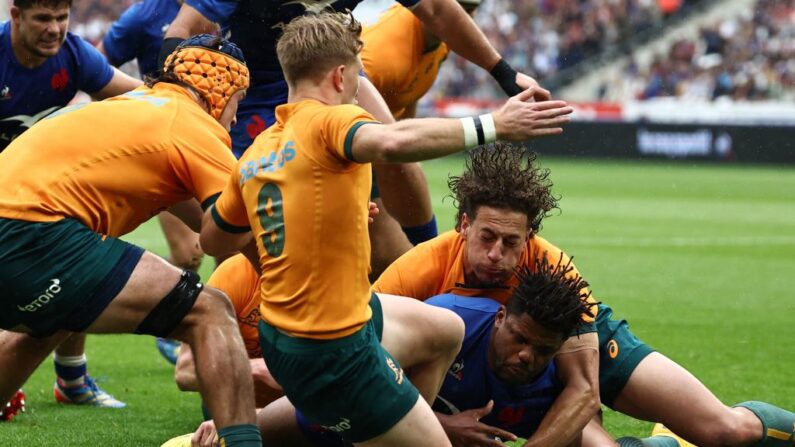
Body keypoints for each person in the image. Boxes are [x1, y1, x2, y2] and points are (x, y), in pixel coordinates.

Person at [198, 11, 572, 447]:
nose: (358, 85)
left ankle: (390, 425)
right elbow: (392, 142)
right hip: (334, 346)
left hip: (283, 335)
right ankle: (385, 424)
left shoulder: (259, 151)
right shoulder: (331, 121)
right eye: (358, 74)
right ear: (340, 76)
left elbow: (213, 239)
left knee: (444, 329)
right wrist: (496, 125)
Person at [373, 144, 795, 447]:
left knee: (724, 430)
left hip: (575, 347)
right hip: (506, 366)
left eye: (511, 242)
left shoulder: (554, 267)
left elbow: (583, 391)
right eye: (486, 237)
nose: (497, 255)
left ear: (530, 237)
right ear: (464, 224)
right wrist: (443, 426)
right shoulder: (418, 270)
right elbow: (360, 361)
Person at [0, 35, 264, 447]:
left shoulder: (135, 107)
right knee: (210, 311)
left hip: (19, 229)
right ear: (220, 93)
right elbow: (229, 228)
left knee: (52, 320)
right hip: (31, 234)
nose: (236, 116)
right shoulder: (192, 123)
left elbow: (221, 228)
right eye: (238, 100)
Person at [161, 0, 550, 276]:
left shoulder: (350, 72)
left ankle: (430, 266)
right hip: (253, 92)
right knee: (246, 233)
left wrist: (503, 72)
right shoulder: (386, 54)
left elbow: (436, 8)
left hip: (335, 75)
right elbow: (180, 32)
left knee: (394, 157)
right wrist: (188, 103)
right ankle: (243, 319)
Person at [0, 0, 143, 409]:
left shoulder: (75, 55)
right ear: (16, 16)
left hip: (34, 191)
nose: (55, 29)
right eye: (43, 19)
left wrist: (179, 96)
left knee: (79, 248)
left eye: (61, 18)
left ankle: (72, 379)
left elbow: (138, 100)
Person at [97, 0, 210, 365]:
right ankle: (174, 324)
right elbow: (97, 66)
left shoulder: (225, 6)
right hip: (160, 147)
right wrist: (140, 110)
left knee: (208, 245)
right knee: (193, 251)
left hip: (207, 136)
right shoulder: (143, 16)